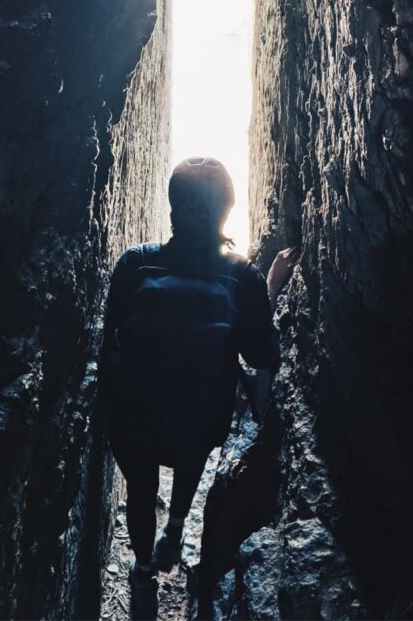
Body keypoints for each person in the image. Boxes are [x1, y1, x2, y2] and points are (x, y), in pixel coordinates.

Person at [97, 156, 298, 611]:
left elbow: (109, 348)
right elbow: (261, 355)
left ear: (173, 208)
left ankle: (145, 570)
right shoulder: (240, 277)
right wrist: (268, 288)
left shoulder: (135, 265)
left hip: (138, 418)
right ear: (225, 210)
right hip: (199, 420)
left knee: (142, 488)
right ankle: (178, 524)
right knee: (192, 455)